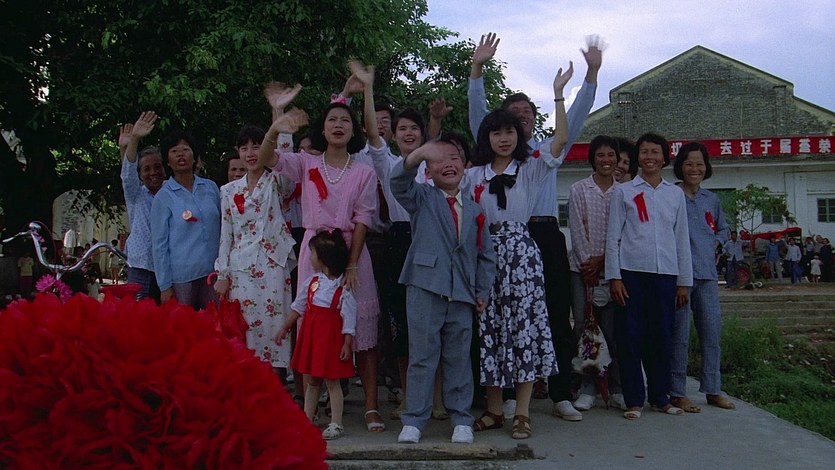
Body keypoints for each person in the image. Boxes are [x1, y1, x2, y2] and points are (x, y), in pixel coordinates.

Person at [468, 32, 601, 421]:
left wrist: (587, 77)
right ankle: (504, 398)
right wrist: (477, 70)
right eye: (512, 114)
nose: (520, 118)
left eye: (526, 113)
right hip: (492, 242)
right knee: (496, 318)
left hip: (539, 236)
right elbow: (478, 113)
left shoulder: (539, 158)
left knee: (553, 315)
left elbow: (572, 123)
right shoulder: (480, 169)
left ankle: (559, 393)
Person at [259, 65, 385, 433]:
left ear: (353, 130)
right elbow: (267, 157)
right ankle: (309, 408)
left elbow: (363, 219)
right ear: (323, 128)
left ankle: (371, 407)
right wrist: (275, 124)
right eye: (332, 120)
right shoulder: (305, 163)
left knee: (362, 332)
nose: (338, 125)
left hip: (352, 255)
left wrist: (351, 263)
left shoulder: (363, 172)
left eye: (345, 120)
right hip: (313, 256)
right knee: (311, 327)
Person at [466, 58, 570, 439]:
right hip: (485, 254)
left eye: (510, 131)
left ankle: (522, 412)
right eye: (496, 132)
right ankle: (494, 409)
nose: (504, 138)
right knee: (490, 328)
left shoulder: (530, 168)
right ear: (487, 137)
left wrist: (558, 96)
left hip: (522, 254)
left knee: (524, 328)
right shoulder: (473, 175)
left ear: (519, 135)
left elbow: (560, 140)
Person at [391, 135, 496, 445]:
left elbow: (486, 255)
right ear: (428, 170)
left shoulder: (475, 209)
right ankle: (414, 419)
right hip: (424, 286)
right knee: (422, 356)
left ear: (465, 165)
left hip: (462, 292)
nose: (448, 164)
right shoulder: (422, 197)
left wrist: (482, 291)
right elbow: (398, 182)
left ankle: (461, 418)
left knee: (458, 357)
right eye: (439, 159)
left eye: (455, 157)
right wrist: (418, 154)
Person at [606, 132, 692, 420]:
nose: (649, 157)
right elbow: (613, 237)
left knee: (661, 337)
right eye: (644, 152)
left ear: (664, 157)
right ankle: (634, 400)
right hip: (631, 273)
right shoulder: (624, 191)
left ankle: (660, 397)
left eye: (655, 152)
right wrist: (614, 276)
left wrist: (684, 282)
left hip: (665, 274)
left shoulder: (674, 194)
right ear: (637, 157)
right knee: (630, 337)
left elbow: (681, 239)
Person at [214, 125, 297, 371]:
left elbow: (286, 162)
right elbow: (226, 234)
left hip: (273, 264)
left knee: (274, 328)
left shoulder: (277, 181)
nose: (250, 153)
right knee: (244, 330)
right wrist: (222, 273)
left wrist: (280, 122)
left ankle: (275, 385)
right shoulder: (228, 190)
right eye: (244, 148)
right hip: (240, 270)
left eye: (257, 147)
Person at [669, 141, 735, 413]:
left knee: (711, 332)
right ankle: (677, 391)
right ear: (680, 167)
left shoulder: (712, 199)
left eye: (699, 164)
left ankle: (713, 389)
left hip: (707, 276)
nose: (694, 169)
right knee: (679, 336)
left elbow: (724, 230)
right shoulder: (670, 195)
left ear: (706, 167)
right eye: (688, 164)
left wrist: (718, 243)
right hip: (679, 277)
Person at [276, 229, 356, 440]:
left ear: (324, 259)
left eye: (312, 253)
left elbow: (349, 319)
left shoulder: (342, 290)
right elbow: (298, 306)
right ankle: (307, 419)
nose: (309, 257)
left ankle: (336, 423)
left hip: (330, 342)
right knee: (312, 381)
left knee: (332, 382)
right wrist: (285, 327)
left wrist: (347, 343)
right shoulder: (312, 283)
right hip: (312, 339)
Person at [568, 135, 625, 412]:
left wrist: (604, 263)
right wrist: (587, 266)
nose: (606, 160)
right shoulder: (579, 189)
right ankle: (587, 388)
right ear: (592, 159)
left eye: (611, 155)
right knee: (584, 327)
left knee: (613, 332)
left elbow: (625, 233)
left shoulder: (623, 192)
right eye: (600, 155)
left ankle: (616, 388)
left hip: (613, 271)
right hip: (581, 272)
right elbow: (577, 229)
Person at [150, 129, 220, 309]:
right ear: (167, 161)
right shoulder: (163, 197)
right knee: (184, 324)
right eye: (174, 151)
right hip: (181, 280)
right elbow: (159, 246)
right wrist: (164, 286)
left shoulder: (211, 188)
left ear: (194, 156)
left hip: (214, 274)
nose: (180, 154)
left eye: (185, 149)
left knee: (216, 322)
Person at [119, 111, 164, 301]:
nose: (153, 172)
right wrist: (134, 140)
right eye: (146, 169)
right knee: (137, 314)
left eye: (157, 167)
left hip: (167, 267)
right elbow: (127, 174)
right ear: (140, 175)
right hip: (140, 267)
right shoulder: (136, 195)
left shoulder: (172, 192)